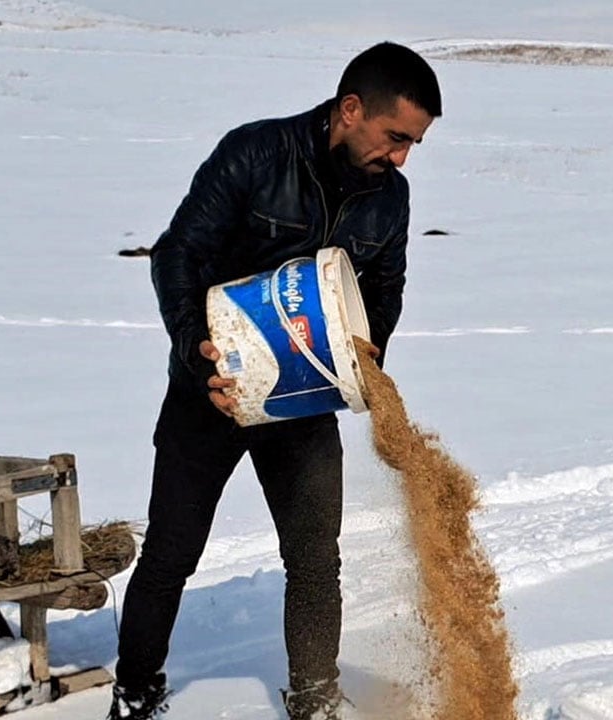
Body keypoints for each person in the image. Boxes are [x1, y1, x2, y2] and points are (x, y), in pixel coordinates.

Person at [106, 42, 441, 720]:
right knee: (171, 551)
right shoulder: (257, 155)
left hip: (303, 401)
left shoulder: (390, 199)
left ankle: (314, 699)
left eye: (414, 144)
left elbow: (384, 289)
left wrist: (364, 361)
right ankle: (136, 689)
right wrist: (199, 359)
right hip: (212, 392)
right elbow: (179, 252)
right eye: (396, 137)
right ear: (352, 109)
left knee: (316, 559)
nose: (403, 157)